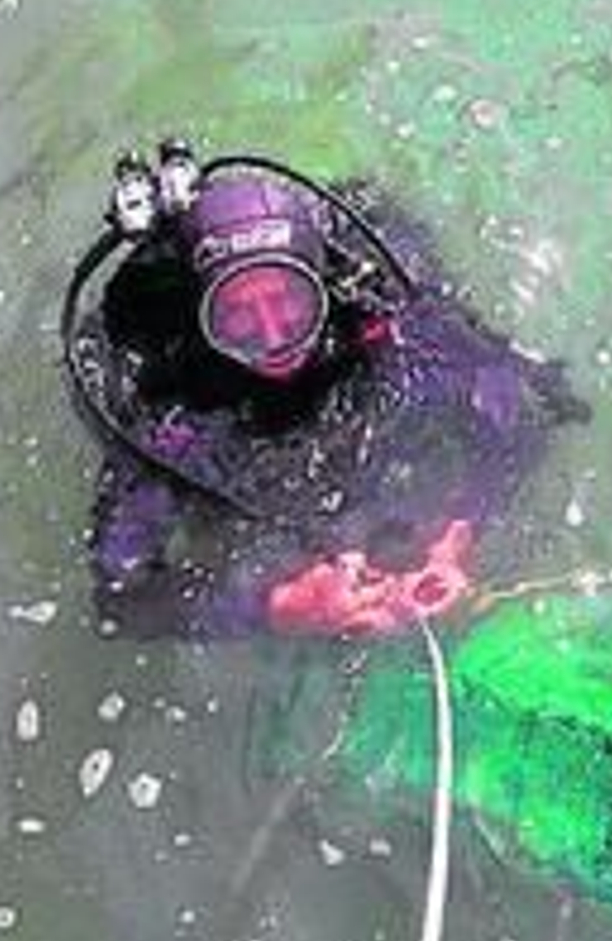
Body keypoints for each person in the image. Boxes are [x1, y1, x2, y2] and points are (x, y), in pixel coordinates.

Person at [63, 142, 585, 638]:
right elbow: (120, 598)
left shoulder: (387, 325)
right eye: (237, 318)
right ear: (202, 324)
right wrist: (275, 608)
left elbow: (519, 417)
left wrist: (459, 532)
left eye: (291, 304)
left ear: (323, 286)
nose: (273, 338)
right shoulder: (176, 415)